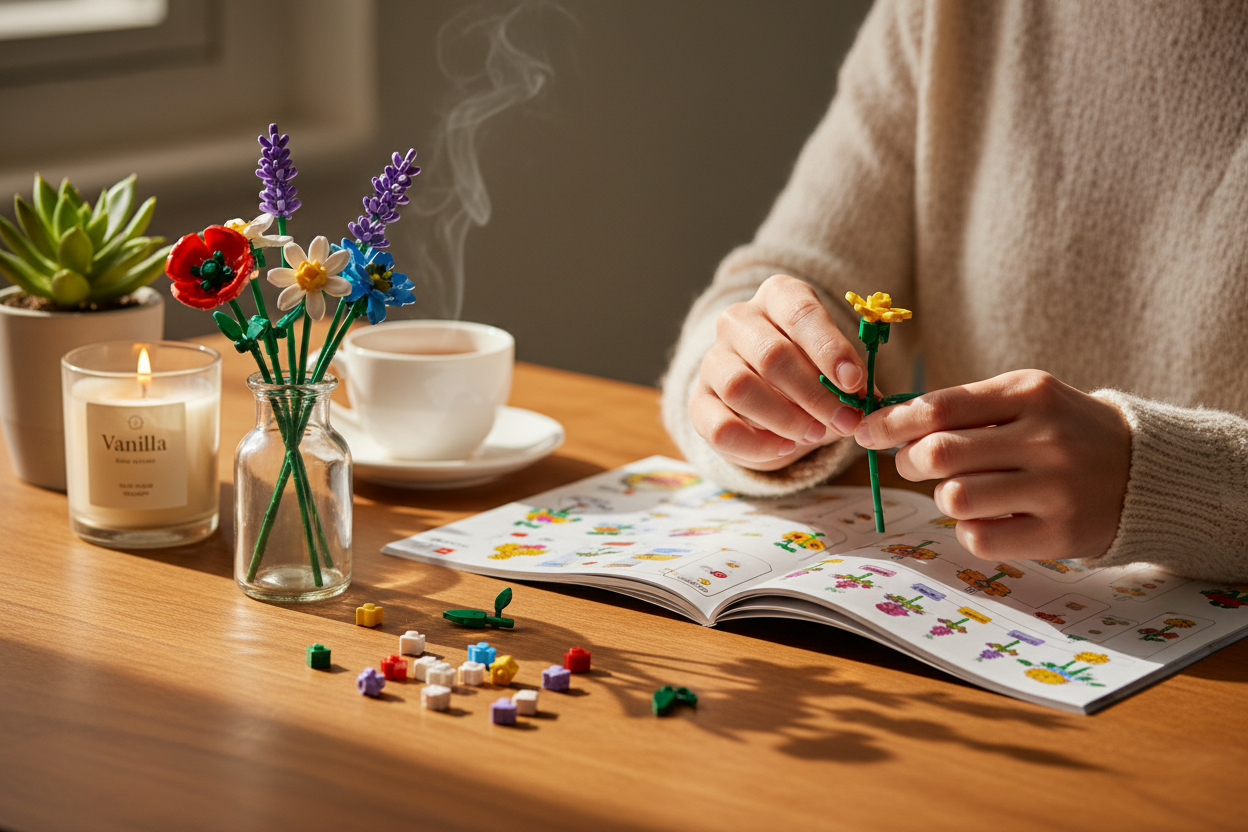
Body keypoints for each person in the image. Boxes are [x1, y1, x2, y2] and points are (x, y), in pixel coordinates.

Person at [660, 0, 1248, 583]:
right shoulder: (947, 12)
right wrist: (748, 387)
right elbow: (798, 271)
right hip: (997, 606)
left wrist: (1171, 479)